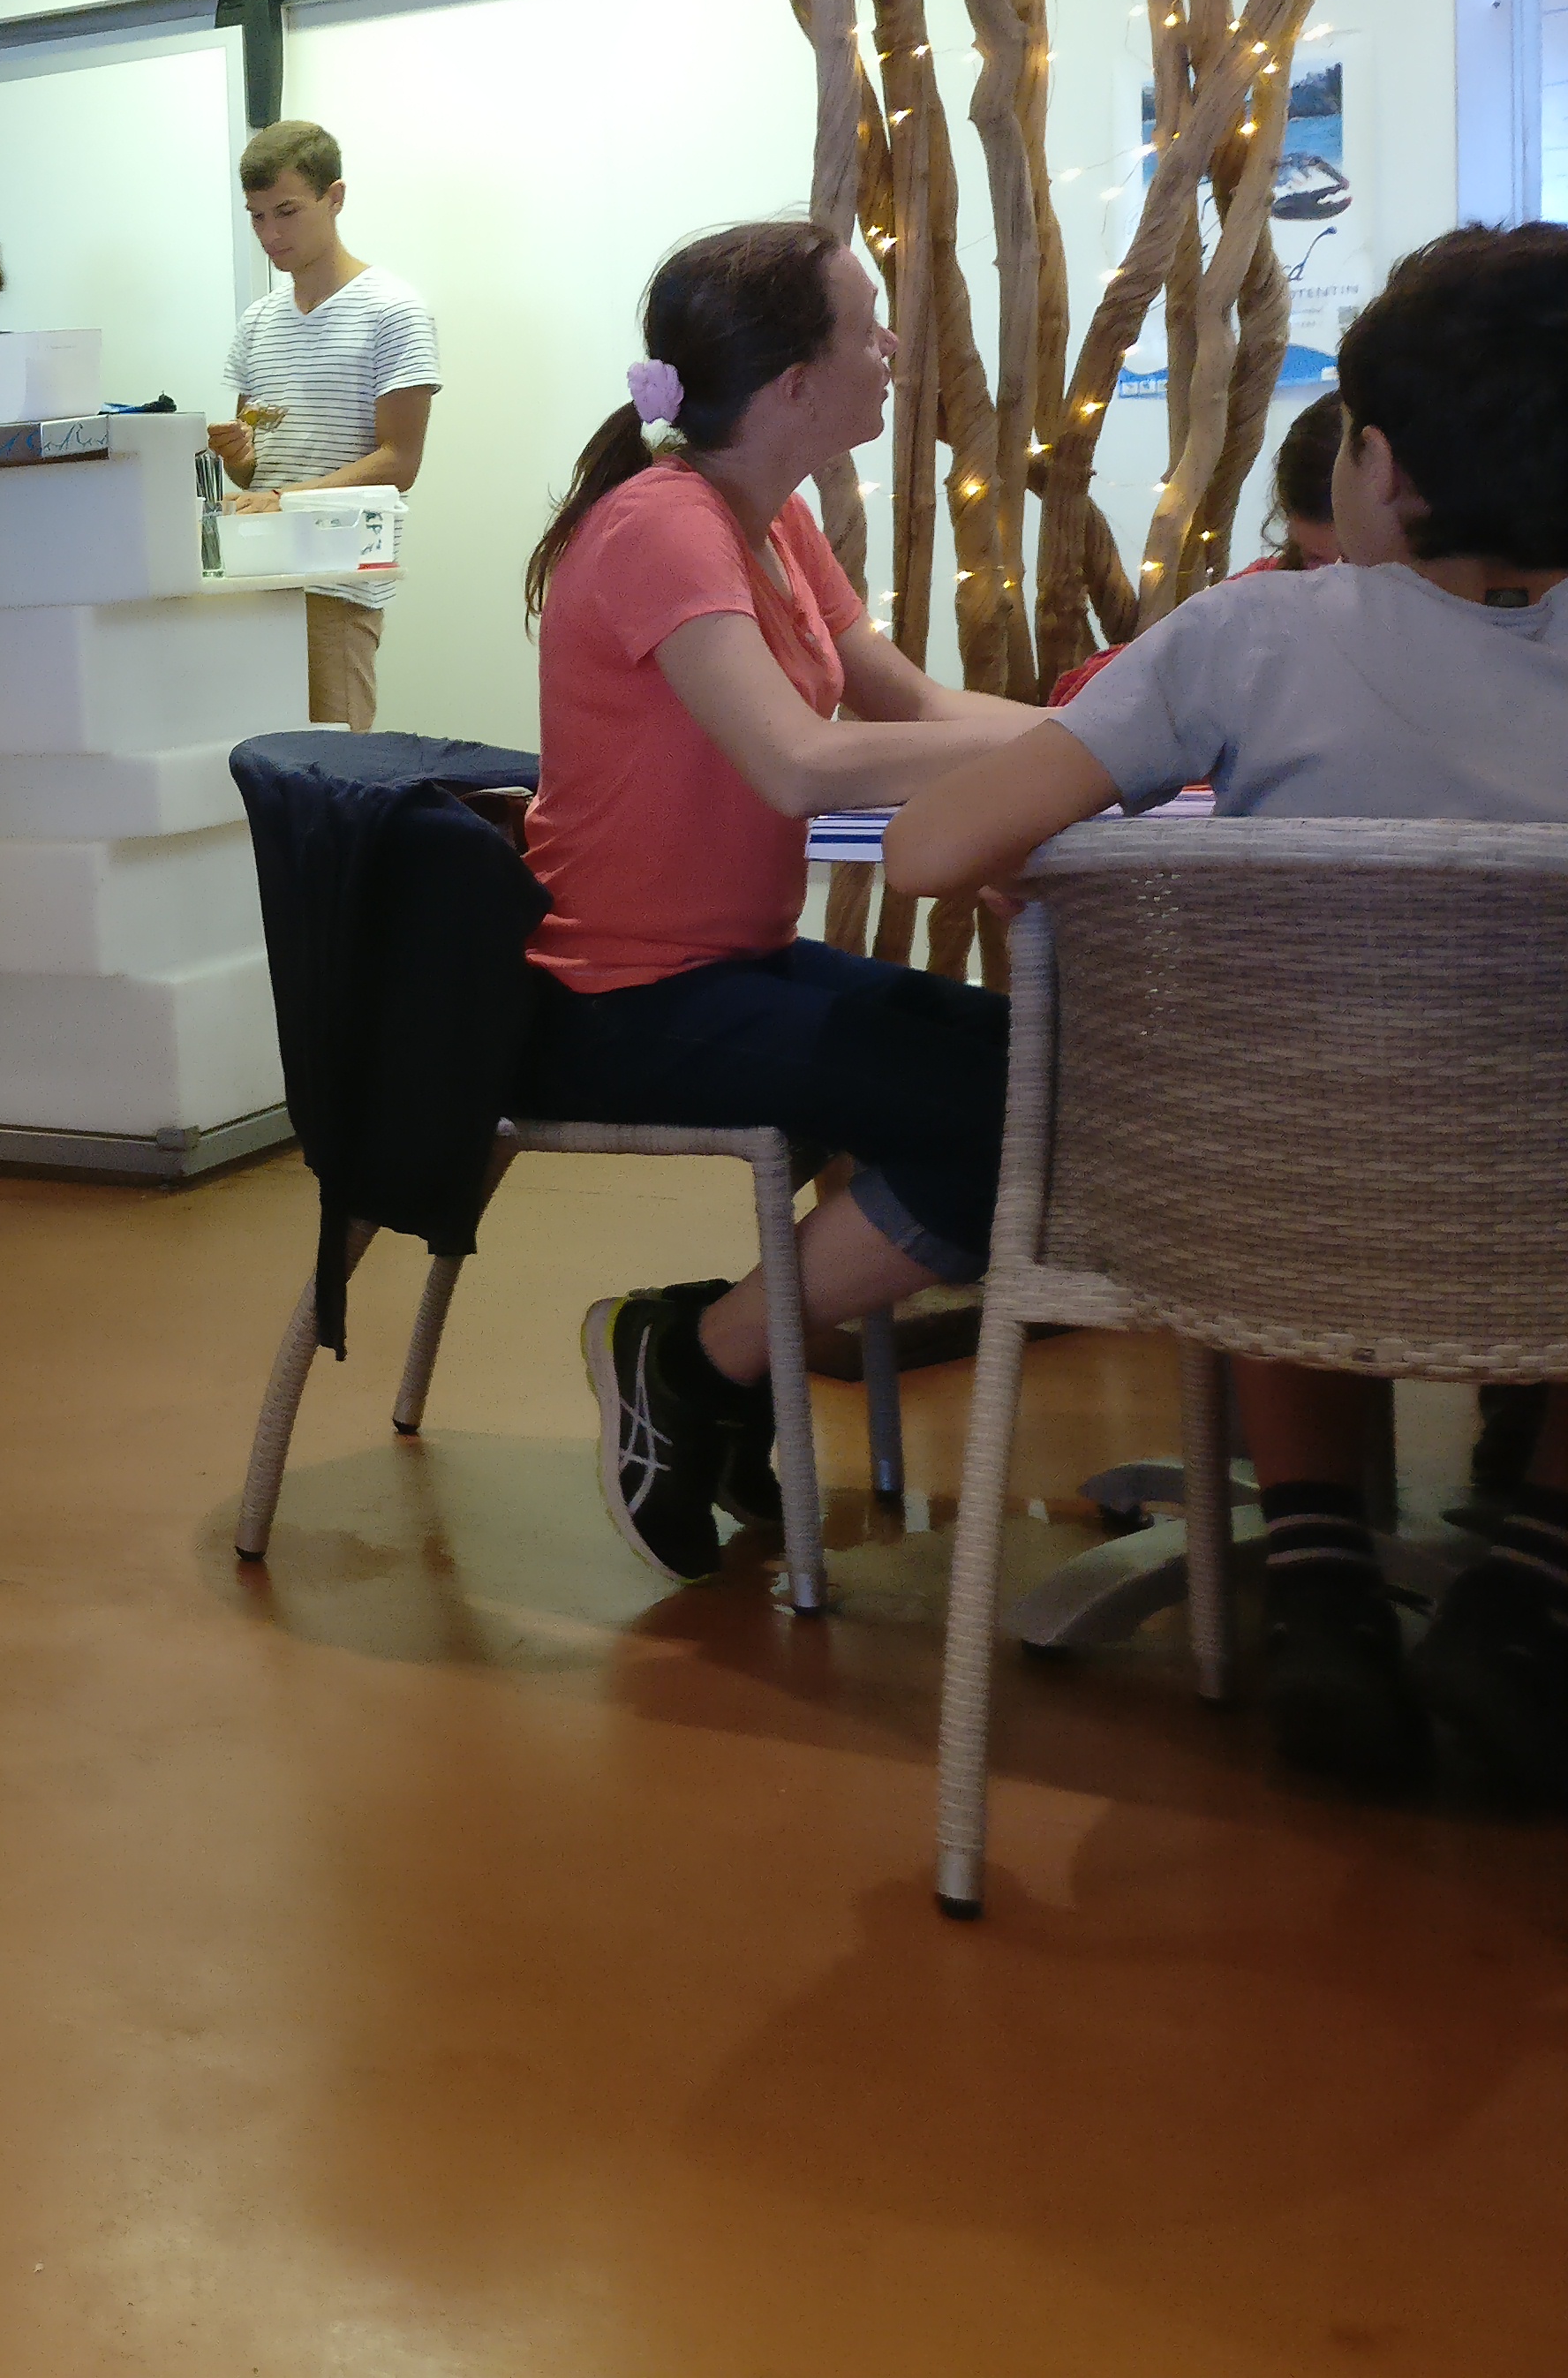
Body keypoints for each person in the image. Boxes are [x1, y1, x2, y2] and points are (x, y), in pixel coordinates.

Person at [888, 223, 1568, 1793]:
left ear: (1376, 465)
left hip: (1260, 1209)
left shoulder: (1249, 637)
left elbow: (929, 850)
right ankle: (1528, 1591)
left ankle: (1319, 1583)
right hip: (1544, 1227)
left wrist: (1068, 870)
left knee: (1297, 1100)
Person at [517, 222, 1051, 1585]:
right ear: (796, 383)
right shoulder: (662, 524)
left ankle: (711, 1349)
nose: (892, 348)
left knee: (1034, 1073)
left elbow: (912, 702)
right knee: (1012, 1108)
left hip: (729, 967)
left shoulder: (772, 519)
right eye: (867, 328)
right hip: (621, 1003)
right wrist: (1068, 760)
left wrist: (1106, 744)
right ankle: (697, 1359)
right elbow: (797, 762)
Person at [210, 120, 439, 730]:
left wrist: (284, 499)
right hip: (256, 578)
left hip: (337, 582)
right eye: (256, 217)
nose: (270, 234)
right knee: (252, 766)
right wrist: (239, 457)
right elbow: (252, 471)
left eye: (286, 212)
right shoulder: (258, 322)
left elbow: (400, 461)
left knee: (333, 768)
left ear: (334, 198)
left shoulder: (392, 310)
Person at [1042, 388, 1350, 707]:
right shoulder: (1270, 589)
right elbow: (1113, 679)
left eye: (1354, 564)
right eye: (1317, 561)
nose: (1338, 581)